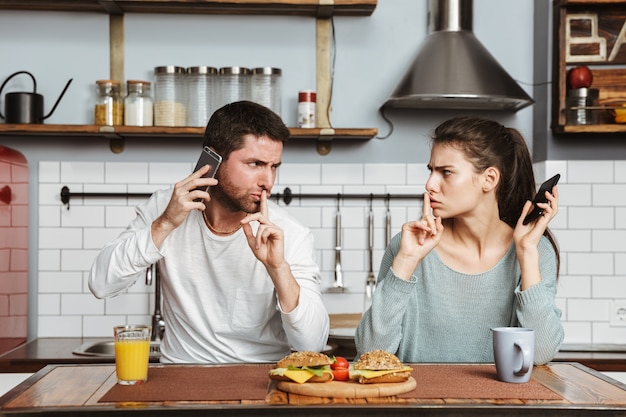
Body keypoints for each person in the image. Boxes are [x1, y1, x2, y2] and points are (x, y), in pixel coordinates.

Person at [89, 101, 330, 364]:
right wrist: (165, 224)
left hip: (260, 383)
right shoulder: (164, 208)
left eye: (274, 166)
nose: (268, 182)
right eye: (255, 164)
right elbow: (102, 284)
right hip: (180, 380)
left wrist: (278, 268)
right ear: (213, 159)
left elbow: (312, 344)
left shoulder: (290, 234)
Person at [355, 116, 564, 365]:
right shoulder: (409, 246)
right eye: (431, 171)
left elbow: (540, 354)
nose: (430, 184)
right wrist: (406, 261)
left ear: (489, 179)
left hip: (500, 404)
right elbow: (370, 353)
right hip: (414, 401)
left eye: (446, 172)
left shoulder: (535, 249)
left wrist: (527, 255)